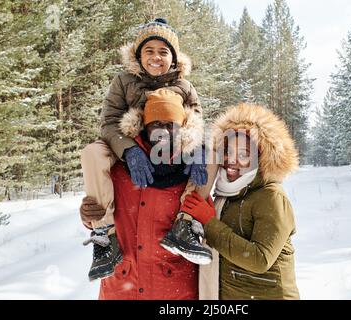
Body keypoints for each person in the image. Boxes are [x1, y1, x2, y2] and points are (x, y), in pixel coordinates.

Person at [80, 18, 211, 282]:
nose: (155, 57)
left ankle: (186, 225)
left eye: (163, 52)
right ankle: (104, 235)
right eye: (148, 51)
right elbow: (108, 122)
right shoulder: (123, 81)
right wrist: (129, 150)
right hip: (127, 142)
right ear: (138, 55)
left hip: (173, 143)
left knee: (210, 155)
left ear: (173, 59)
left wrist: (196, 146)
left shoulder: (184, 86)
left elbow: (196, 120)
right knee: (92, 153)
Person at [81, 88, 202, 299]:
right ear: (144, 126)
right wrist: (88, 215)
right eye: (156, 124)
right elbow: (103, 206)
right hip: (122, 285)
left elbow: (205, 221)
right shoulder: (118, 166)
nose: (163, 132)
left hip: (173, 289)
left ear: (181, 128)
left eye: (170, 125)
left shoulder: (192, 169)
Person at [180, 103, 301, 300]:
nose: (232, 160)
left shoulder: (271, 197)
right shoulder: (225, 194)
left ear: (263, 158)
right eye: (228, 151)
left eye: (244, 154)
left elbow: (260, 259)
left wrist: (210, 223)